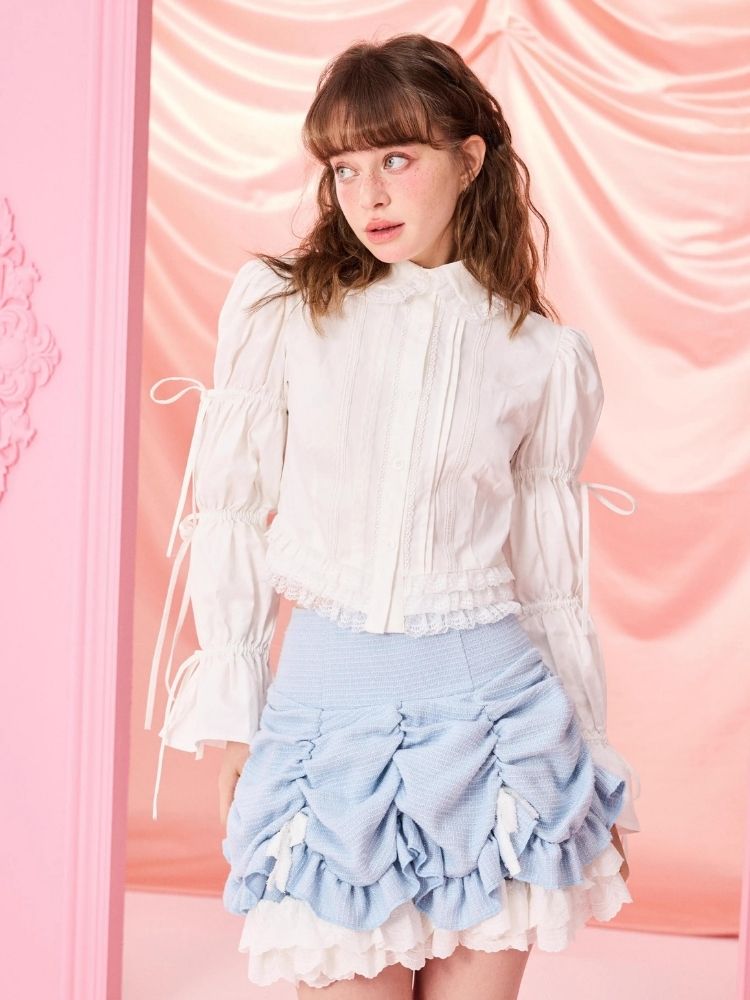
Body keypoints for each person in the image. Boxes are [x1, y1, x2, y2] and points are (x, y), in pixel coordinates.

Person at [144, 31, 641, 999]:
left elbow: (549, 585)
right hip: (325, 730)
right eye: (344, 168)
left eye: (397, 160)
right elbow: (232, 513)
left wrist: (589, 751)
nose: (367, 195)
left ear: (469, 160)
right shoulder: (284, 314)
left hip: (498, 735)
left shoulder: (541, 356)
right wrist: (243, 719)